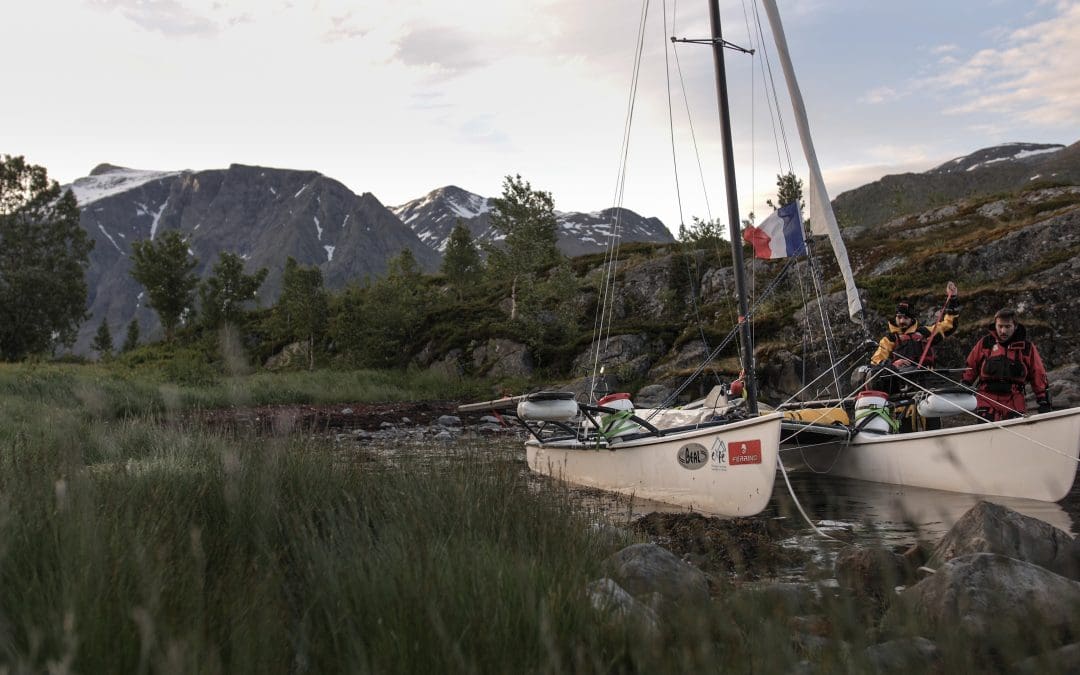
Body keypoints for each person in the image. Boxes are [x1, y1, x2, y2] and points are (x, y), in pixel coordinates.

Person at [863, 298, 959, 432]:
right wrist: (893, 364)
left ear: (912, 318)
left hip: (927, 391)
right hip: (902, 394)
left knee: (934, 430)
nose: (902, 321)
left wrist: (952, 301)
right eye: (899, 317)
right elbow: (876, 360)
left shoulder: (925, 333)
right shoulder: (889, 339)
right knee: (905, 431)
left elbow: (949, 326)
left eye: (905, 318)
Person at [961, 308, 1050, 421]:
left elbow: (1038, 373)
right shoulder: (985, 343)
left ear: (1015, 326)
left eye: (1007, 327)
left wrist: (1043, 400)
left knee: (1015, 432)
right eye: (1000, 326)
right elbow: (971, 367)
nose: (1003, 331)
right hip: (987, 399)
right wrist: (964, 384)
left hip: (1014, 400)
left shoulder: (1027, 348)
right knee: (987, 433)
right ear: (995, 325)